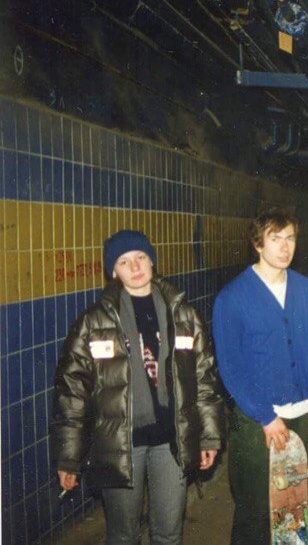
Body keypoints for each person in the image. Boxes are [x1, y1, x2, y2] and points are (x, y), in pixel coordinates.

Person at [51, 229, 225, 543]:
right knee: (122, 535)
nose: (135, 267)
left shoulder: (183, 315)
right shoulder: (93, 323)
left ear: (152, 261)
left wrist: (209, 437)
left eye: (141, 257)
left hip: (172, 439)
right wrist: (69, 458)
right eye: (124, 261)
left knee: (169, 532)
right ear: (112, 271)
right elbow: (72, 392)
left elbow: (204, 380)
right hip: (120, 444)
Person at [213, 208, 308, 543]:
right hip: (258, 420)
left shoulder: (307, 290)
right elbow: (231, 367)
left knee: (301, 501)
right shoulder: (233, 298)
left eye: (290, 238)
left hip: (304, 412)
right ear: (257, 244)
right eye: (274, 239)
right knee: (256, 508)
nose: (284, 247)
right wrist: (265, 416)